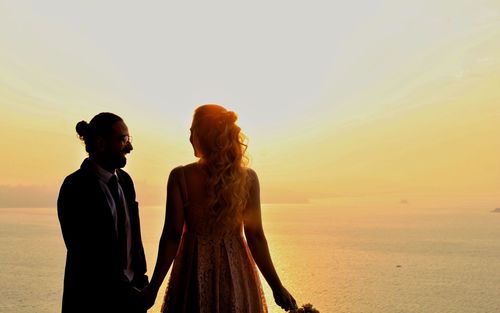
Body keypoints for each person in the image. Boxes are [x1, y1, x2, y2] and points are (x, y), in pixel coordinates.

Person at [142, 104, 297, 312]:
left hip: (192, 272)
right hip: (236, 271)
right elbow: (256, 237)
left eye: (192, 130)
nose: (189, 136)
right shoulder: (248, 179)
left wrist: (152, 289)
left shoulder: (180, 177)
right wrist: (277, 288)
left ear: (202, 135)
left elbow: (171, 235)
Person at [57, 112, 148, 313]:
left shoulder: (126, 182)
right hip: (92, 301)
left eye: (129, 140)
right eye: (123, 140)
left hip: (132, 298)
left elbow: (134, 238)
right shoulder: (75, 187)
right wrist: (122, 292)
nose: (130, 147)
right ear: (100, 142)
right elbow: (84, 252)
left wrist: (141, 282)